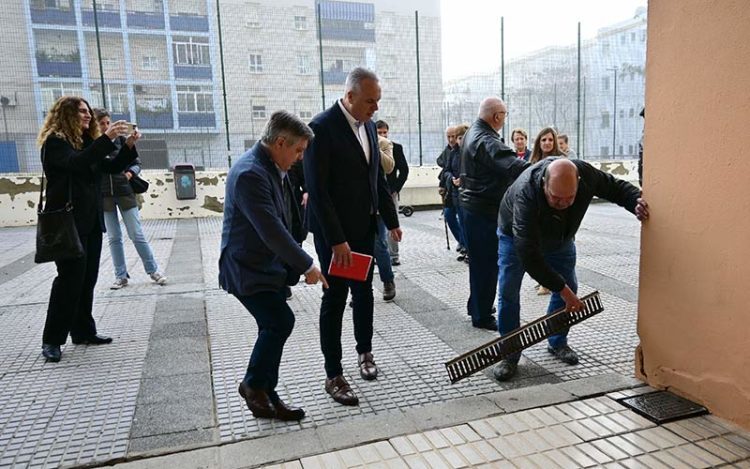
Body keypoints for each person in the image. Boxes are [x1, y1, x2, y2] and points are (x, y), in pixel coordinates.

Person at [493, 158, 649, 381]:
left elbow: (615, 187)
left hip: (560, 238)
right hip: (514, 236)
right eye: (555, 198)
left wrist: (635, 200)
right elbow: (528, 254)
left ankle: (557, 341)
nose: (563, 203)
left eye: (570, 198)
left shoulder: (586, 174)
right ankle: (509, 352)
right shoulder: (525, 193)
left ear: (578, 182)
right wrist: (562, 290)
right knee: (508, 291)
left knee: (570, 284)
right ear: (544, 184)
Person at [219, 111, 328, 421]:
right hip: (247, 268)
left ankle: (267, 390)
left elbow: (286, 220)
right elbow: (271, 230)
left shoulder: (270, 167)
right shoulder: (250, 174)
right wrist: (307, 265)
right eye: (298, 151)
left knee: (275, 324)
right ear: (280, 142)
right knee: (279, 322)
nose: (300, 158)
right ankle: (254, 385)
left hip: (268, 268)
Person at [304, 67, 402, 406]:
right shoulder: (321, 128)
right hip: (335, 235)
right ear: (349, 96)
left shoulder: (370, 128)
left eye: (377, 101)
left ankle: (365, 353)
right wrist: (336, 240)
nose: (375, 108)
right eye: (370, 101)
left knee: (364, 294)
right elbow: (317, 191)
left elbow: (374, 177)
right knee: (334, 299)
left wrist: (390, 220)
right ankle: (333, 373)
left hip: (364, 229)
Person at [38, 96, 139, 362]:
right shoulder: (55, 143)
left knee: (87, 279)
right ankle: (52, 339)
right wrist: (105, 138)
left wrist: (127, 146)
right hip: (67, 222)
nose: (87, 116)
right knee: (69, 280)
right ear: (67, 114)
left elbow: (109, 166)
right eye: (81, 112)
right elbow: (78, 163)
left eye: (87, 112)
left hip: (90, 221)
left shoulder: (85, 143)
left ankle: (83, 331)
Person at [459, 97, 529, 330]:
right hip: (483, 211)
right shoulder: (485, 138)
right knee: (487, 264)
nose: (504, 119)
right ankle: (482, 316)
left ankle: (477, 306)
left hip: (473, 208)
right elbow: (511, 164)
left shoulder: (472, 132)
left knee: (480, 263)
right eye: (504, 115)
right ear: (497, 116)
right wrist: (540, 170)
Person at [93, 109, 166, 290]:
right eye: (101, 123)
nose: (105, 126)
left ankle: (153, 271)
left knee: (136, 234)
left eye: (107, 123)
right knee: (114, 237)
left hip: (124, 192)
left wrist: (129, 173)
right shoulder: (94, 145)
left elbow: (137, 163)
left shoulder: (121, 141)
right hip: (104, 196)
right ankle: (121, 276)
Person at [375, 120, 409, 266]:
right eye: (379, 133)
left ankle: (394, 255)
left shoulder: (396, 147)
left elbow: (404, 170)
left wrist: (395, 189)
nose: (383, 135)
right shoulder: (371, 146)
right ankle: (380, 254)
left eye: (385, 132)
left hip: (391, 192)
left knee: (392, 224)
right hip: (374, 192)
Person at [373, 135, 397, 301]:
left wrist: (372, 147)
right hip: (354, 207)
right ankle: (357, 288)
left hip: (377, 207)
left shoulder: (383, 143)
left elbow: (388, 167)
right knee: (355, 250)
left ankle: (387, 280)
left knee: (379, 245)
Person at [442, 123, 469, 262]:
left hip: (468, 194)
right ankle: (464, 245)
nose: (457, 140)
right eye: (457, 137)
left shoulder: (472, 152)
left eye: (460, 137)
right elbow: (446, 170)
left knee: (466, 222)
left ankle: (468, 249)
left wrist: (463, 180)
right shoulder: (453, 152)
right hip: (454, 192)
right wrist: (452, 179)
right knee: (453, 217)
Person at [438, 125, 464, 252]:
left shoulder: (464, 151)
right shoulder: (450, 151)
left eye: (454, 136)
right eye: (448, 137)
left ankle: (464, 243)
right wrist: (444, 184)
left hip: (462, 192)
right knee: (449, 215)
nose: (451, 139)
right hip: (450, 189)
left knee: (463, 217)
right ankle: (461, 240)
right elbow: (445, 169)